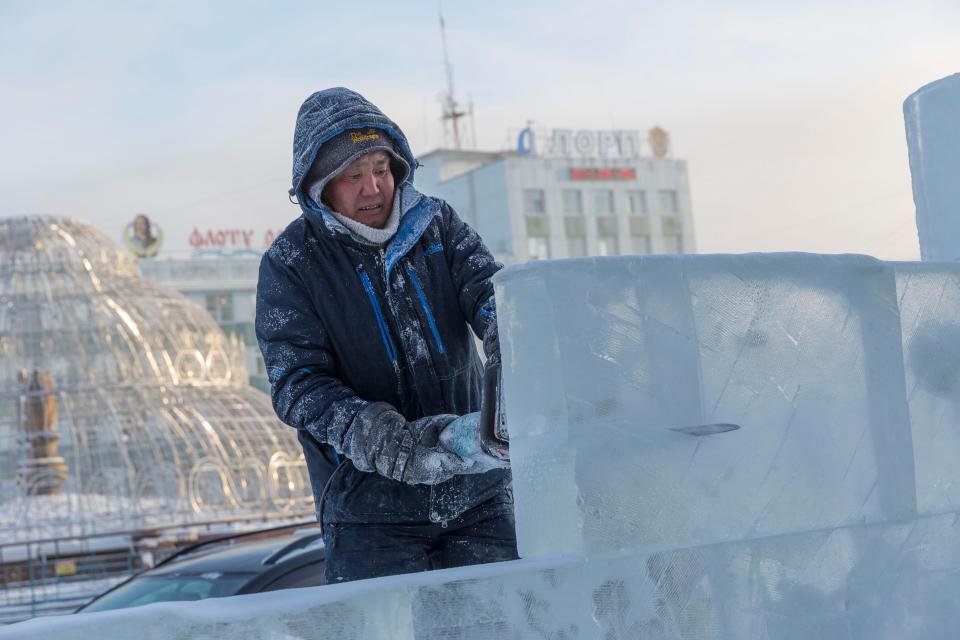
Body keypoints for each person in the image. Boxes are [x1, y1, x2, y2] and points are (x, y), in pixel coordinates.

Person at [256, 87, 516, 583]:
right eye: (352, 176)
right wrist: (374, 435)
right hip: (368, 514)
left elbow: (495, 299)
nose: (373, 188)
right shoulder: (291, 264)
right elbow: (296, 384)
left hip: (477, 493)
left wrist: (513, 340)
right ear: (318, 187)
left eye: (379, 169)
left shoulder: (436, 226)